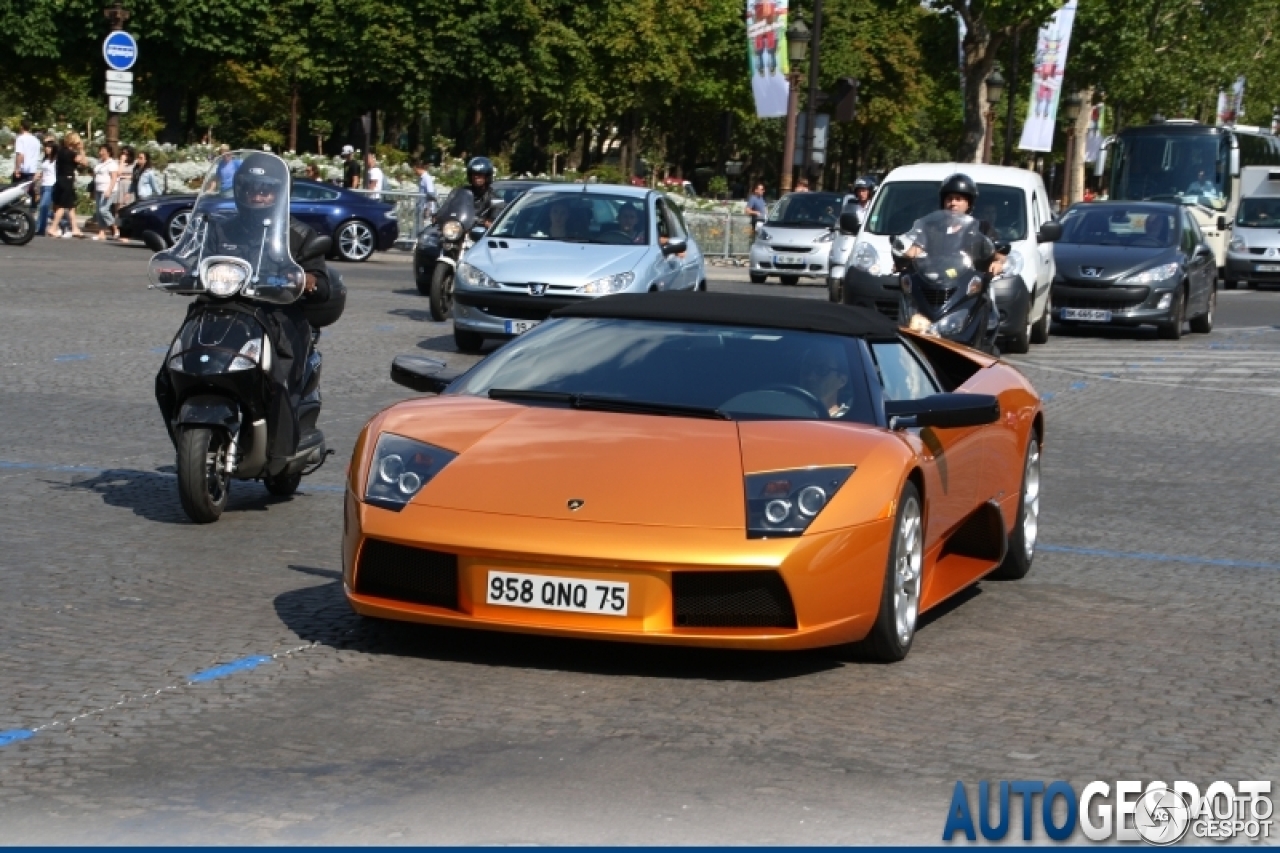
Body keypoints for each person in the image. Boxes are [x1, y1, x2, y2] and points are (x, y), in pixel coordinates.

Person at [159, 152, 332, 463]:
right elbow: (191, 257)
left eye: (265, 189)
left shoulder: (298, 235)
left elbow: (322, 284)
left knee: (277, 376)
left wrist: (306, 280)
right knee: (167, 373)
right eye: (251, 188)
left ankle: (282, 451)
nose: (258, 195)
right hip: (216, 311)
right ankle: (183, 432)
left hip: (273, 316)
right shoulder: (218, 228)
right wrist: (176, 269)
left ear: (277, 192)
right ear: (239, 190)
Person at [50, 131, 86, 239]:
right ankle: (53, 227)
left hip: (60, 180)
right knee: (62, 206)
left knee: (71, 206)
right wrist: (82, 150)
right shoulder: (71, 154)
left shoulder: (61, 152)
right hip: (67, 180)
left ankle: (75, 228)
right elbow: (84, 163)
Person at [798, 346, 851, 418]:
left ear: (842, 381)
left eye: (822, 370)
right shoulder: (784, 411)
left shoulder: (850, 421)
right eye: (807, 368)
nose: (810, 377)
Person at [91, 144, 119, 241]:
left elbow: (114, 178)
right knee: (99, 212)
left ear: (108, 152)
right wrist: (94, 190)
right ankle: (101, 232)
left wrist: (109, 190)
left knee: (104, 210)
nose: (100, 153)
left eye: (103, 151)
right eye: (100, 150)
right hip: (99, 189)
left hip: (108, 190)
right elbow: (95, 177)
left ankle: (116, 228)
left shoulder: (112, 164)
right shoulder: (99, 163)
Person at [35, 137, 58, 236]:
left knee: (43, 206)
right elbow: (43, 171)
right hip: (44, 185)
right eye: (46, 147)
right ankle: (63, 222)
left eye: (49, 147)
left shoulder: (56, 160)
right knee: (43, 208)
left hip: (51, 185)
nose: (47, 149)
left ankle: (40, 228)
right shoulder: (45, 160)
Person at [463, 156, 497, 225]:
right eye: (474, 174)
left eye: (480, 174)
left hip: (481, 231)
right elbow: (450, 208)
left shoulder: (494, 197)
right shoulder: (463, 192)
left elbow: (495, 221)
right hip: (458, 228)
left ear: (487, 176)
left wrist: (485, 222)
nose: (476, 176)